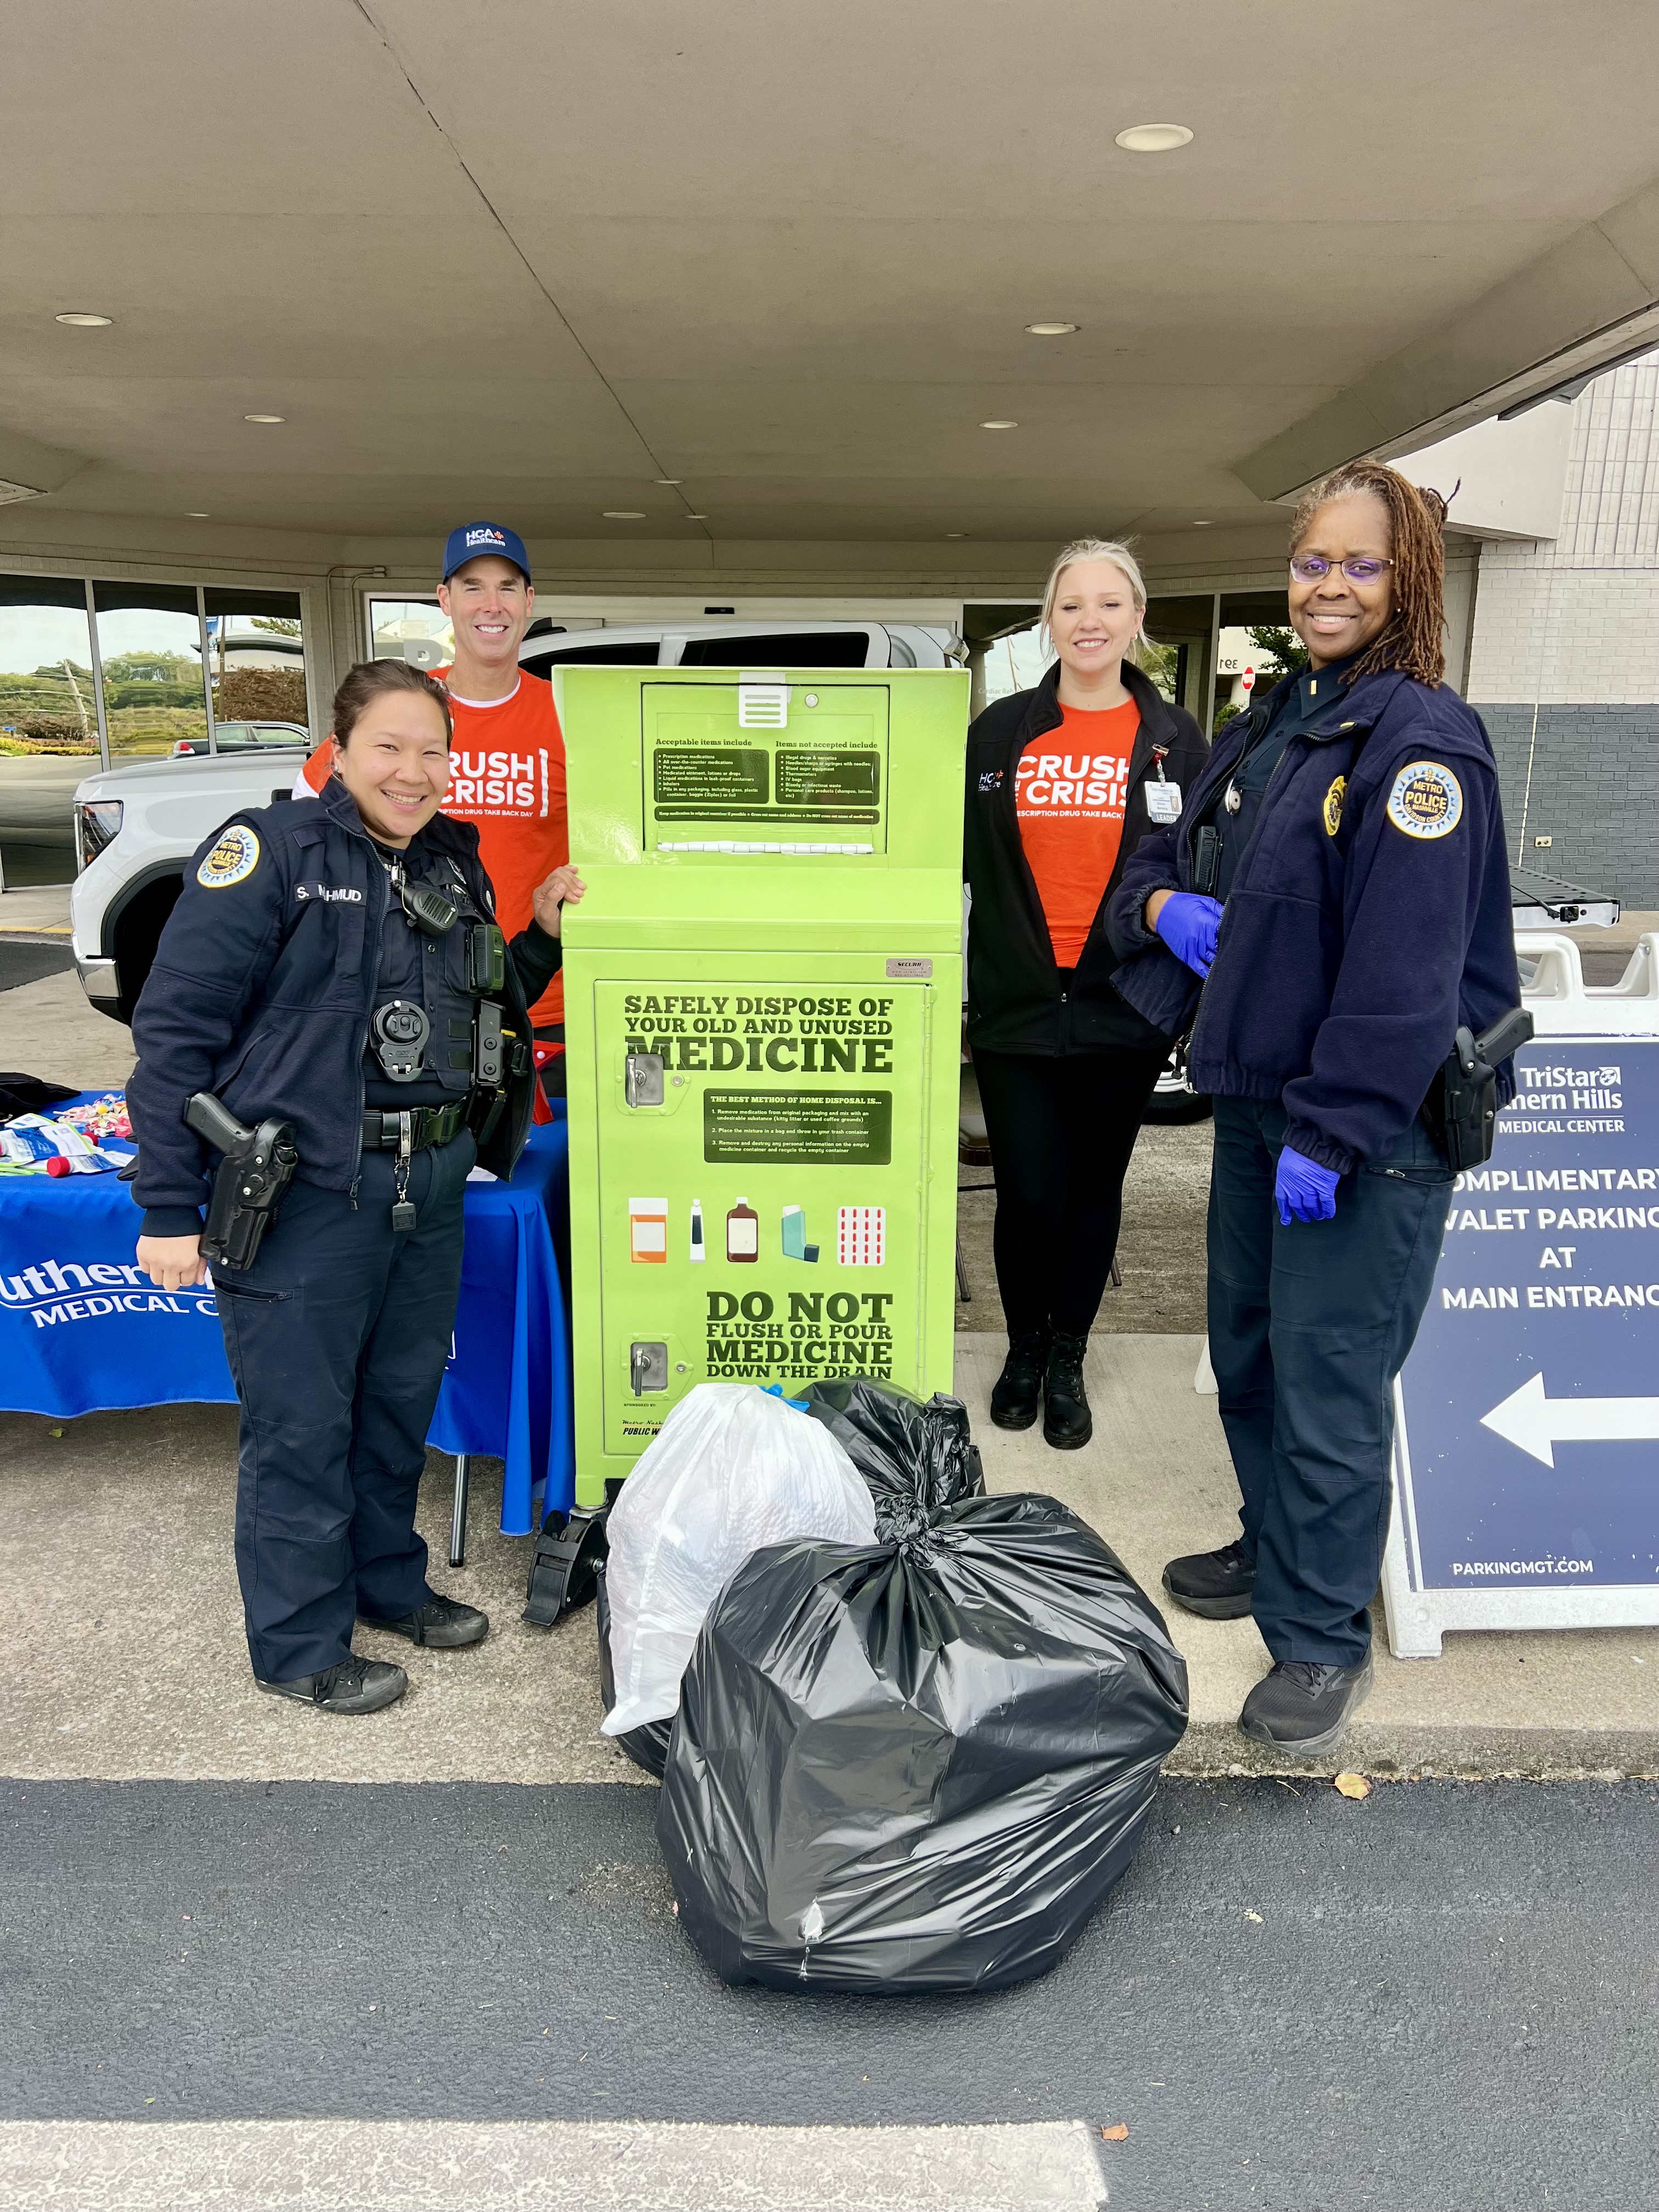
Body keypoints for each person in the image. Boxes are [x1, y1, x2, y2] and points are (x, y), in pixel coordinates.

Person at [1108, 459, 1519, 1753]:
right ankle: (1277, 1541)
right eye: (1311, 562)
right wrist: (1162, 904)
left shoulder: (1421, 744)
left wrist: (1336, 1129)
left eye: (1359, 564)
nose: (1328, 585)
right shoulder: (1283, 718)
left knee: (1330, 1381)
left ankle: (1320, 1633)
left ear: (1409, 581)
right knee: (1250, 1354)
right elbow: (1171, 845)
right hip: (1256, 1103)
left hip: (1363, 1129)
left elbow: (1406, 969)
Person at [132, 661, 585, 1714]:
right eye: (388, 745)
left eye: (432, 750)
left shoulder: (452, 861)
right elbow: (174, 1034)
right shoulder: (271, 853)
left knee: (395, 1408)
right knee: (301, 1427)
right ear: (339, 751)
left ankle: (387, 1582)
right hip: (304, 1195)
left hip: (427, 1184)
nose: (412, 770)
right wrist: (164, 1205)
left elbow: (482, 1010)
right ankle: (298, 1644)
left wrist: (535, 939)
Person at [962, 539, 1207, 1447]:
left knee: (1093, 1189)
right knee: (1029, 1193)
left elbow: (1197, 866)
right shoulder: (999, 732)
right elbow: (956, 858)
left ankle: (1068, 1355)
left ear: (1136, 618)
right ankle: (1022, 1349)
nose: (1089, 621)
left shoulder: (1177, 740)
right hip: (1017, 1005)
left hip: (1123, 1004)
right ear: (1048, 619)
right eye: (1071, 605)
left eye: (1109, 604)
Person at [300, 522, 572, 1090]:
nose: (491, 605)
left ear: (529, 601)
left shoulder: (569, 717)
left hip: (542, 1006)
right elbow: (310, 822)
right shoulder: (404, 706)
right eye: (473, 587)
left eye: (507, 587)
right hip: (410, 1003)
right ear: (445, 599)